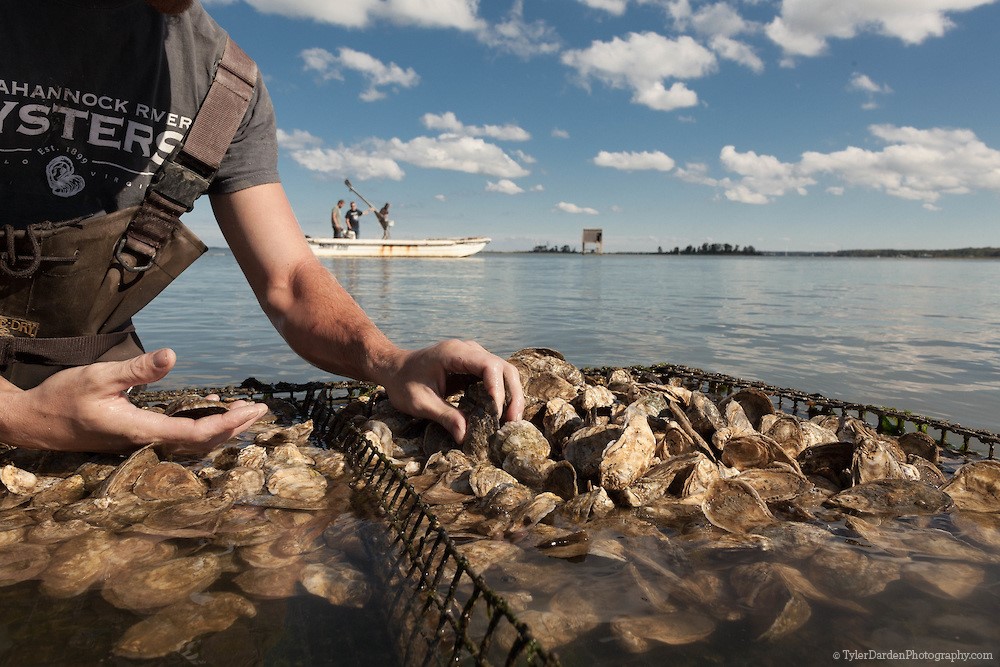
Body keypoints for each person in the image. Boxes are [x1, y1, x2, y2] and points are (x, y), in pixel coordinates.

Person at [0, 0, 523, 456]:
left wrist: (392, 361)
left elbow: (290, 280)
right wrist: (20, 415)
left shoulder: (226, 86)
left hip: (89, 382)